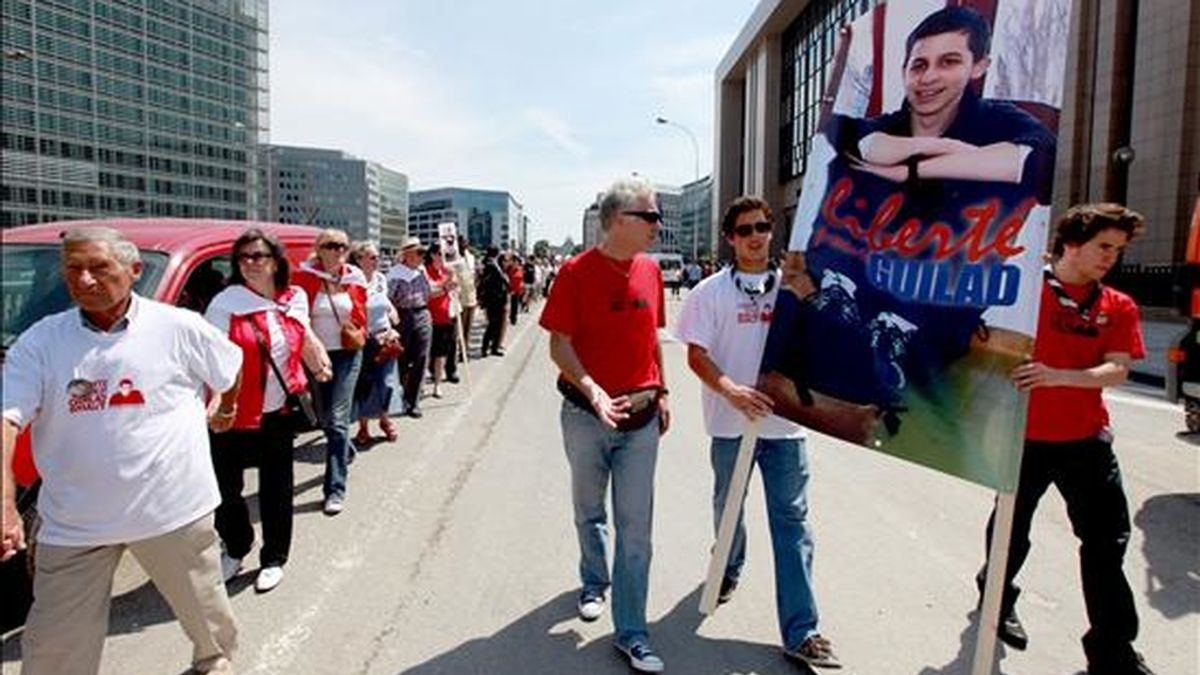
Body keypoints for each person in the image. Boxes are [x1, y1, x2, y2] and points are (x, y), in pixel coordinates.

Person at [760, 5, 1058, 443]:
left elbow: (1035, 161)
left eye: (949, 61)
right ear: (903, 71)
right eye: (919, 64)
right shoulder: (887, 125)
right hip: (849, 297)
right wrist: (944, 148)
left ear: (979, 66)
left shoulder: (1002, 121)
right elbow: (852, 139)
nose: (929, 77)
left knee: (897, 383)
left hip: (929, 315)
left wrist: (915, 170)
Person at [1, 226, 243, 675]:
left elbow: (230, 370)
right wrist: (6, 507)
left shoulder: (179, 327)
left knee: (206, 616)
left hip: (173, 512)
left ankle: (214, 664)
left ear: (133, 271)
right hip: (74, 524)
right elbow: (6, 418)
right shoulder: (41, 341)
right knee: (54, 646)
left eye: (99, 267)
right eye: (73, 269)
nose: (85, 280)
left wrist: (224, 407)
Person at [977, 203, 1155, 675]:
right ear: (1071, 243)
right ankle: (996, 598)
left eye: (1117, 250)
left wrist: (1058, 376)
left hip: (1086, 443)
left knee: (1106, 544)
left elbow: (1117, 368)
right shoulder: (1022, 292)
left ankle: (1113, 651)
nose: (1110, 258)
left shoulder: (1118, 305)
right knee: (1011, 533)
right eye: (1103, 247)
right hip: (1024, 440)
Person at [677, 196, 840, 670]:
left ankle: (802, 630)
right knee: (728, 509)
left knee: (792, 525)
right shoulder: (709, 292)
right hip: (730, 426)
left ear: (772, 232)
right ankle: (727, 566)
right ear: (730, 238)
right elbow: (696, 355)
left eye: (763, 227)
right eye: (745, 229)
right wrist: (730, 391)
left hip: (786, 430)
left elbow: (822, 337)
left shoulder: (793, 288)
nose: (755, 236)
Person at [540, 178, 670, 673]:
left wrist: (663, 390)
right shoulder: (575, 273)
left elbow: (651, 338)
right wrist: (593, 390)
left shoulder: (651, 272)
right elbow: (559, 344)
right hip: (584, 415)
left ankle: (632, 631)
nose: (659, 225)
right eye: (650, 217)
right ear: (619, 220)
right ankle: (594, 580)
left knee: (637, 529)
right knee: (589, 510)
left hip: (639, 422)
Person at [204, 229, 333, 593]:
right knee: (225, 491)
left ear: (276, 261)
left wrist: (318, 360)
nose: (250, 264)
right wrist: (216, 406)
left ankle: (274, 557)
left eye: (258, 256)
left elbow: (303, 334)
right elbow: (211, 358)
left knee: (277, 489)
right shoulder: (225, 304)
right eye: (243, 257)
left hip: (277, 412)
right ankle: (237, 546)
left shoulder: (294, 298)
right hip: (230, 415)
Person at [293, 228, 368, 516]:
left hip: (349, 354)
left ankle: (334, 489)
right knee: (322, 418)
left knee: (337, 419)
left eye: (342, 246)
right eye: (331, 245)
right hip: (316, 357)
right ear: (319, 248)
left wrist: (369, 332)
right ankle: (344, 448)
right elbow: (295, 316)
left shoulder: (354, 277)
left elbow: (362, 313)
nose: (338, 251)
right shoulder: (304, 278)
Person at [349, 241, 401, 444]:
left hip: (385, 337)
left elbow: (384, 300)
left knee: (386, 383)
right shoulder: (352, 281)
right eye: (372, 257)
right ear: (359, 259)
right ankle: (363, 426)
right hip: (364, 340)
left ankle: (384, 419)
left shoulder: (380, 278)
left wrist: (392, 312)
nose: (377, 260)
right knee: (366, 384)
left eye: (377, 256)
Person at [388, 237, 433, 418]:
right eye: (419, 252)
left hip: (422, 314)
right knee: (402, 359)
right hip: (403, 316)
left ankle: (413, 401)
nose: (422, 256)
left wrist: (446, 287)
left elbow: (428, 293)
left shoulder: (422, 271)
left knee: (422, 357)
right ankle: (401, 396)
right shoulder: (395, 274)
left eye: (423, 252)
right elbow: (388, 298)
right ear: (407, 255)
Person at [424, 247, 458, 399]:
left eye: (444, 255)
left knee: (441, 353)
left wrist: (453, 281)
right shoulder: (425, 271)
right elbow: (428, 293)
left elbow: (453, 290)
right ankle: (422, 383)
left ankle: (437, 384)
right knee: (426, 354)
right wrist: (445, 287)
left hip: (445, 317)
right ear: (432, 255)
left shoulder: (447, 271)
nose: (442, 257)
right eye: (439, 254)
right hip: (429, 319)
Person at [446, 235, 476, 376]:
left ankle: (465, 351)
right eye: (461, 243)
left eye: (465, 243)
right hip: (459, 296)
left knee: (468, 327)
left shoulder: (471, 257)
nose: (464, 245)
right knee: (458, 327)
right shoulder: (453, 258)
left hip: (471, 294)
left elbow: (473, 274)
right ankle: (457, 352)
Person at [477, 245, 510, 357]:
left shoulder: (491, 263)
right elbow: (502, 278)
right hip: (494, 299)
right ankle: (486, 348)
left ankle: (493, 347)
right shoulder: (490, 263)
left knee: (496, 325)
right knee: (493, 324)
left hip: (497, 298)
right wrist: (507, 283)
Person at [507, 253, 525, 326]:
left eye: (516, 261)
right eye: (513, 261)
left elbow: (522, 279)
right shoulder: (508, 269)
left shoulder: (520, 269)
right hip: (510, 290)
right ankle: (508, 317)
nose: (515, 262)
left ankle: (513, 318)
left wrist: (522, 287)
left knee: (515, 305)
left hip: (517, 290)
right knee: (508, 305)